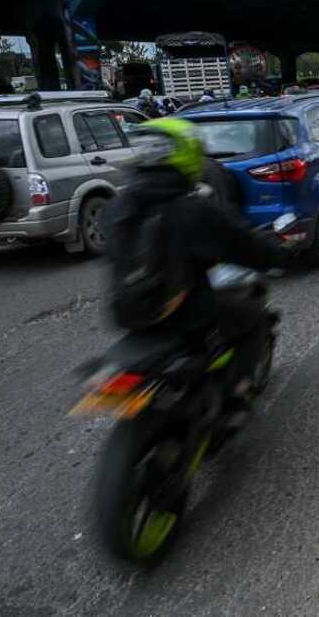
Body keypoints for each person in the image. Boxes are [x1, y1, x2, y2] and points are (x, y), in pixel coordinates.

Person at [103, 118, 293, 426]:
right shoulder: (190, 208)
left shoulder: (118, 205)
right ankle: (238, 391)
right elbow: (242, 244)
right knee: (252, 317)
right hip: (185, 315)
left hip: (128, 314)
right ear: (188, 153)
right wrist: (279, 254)